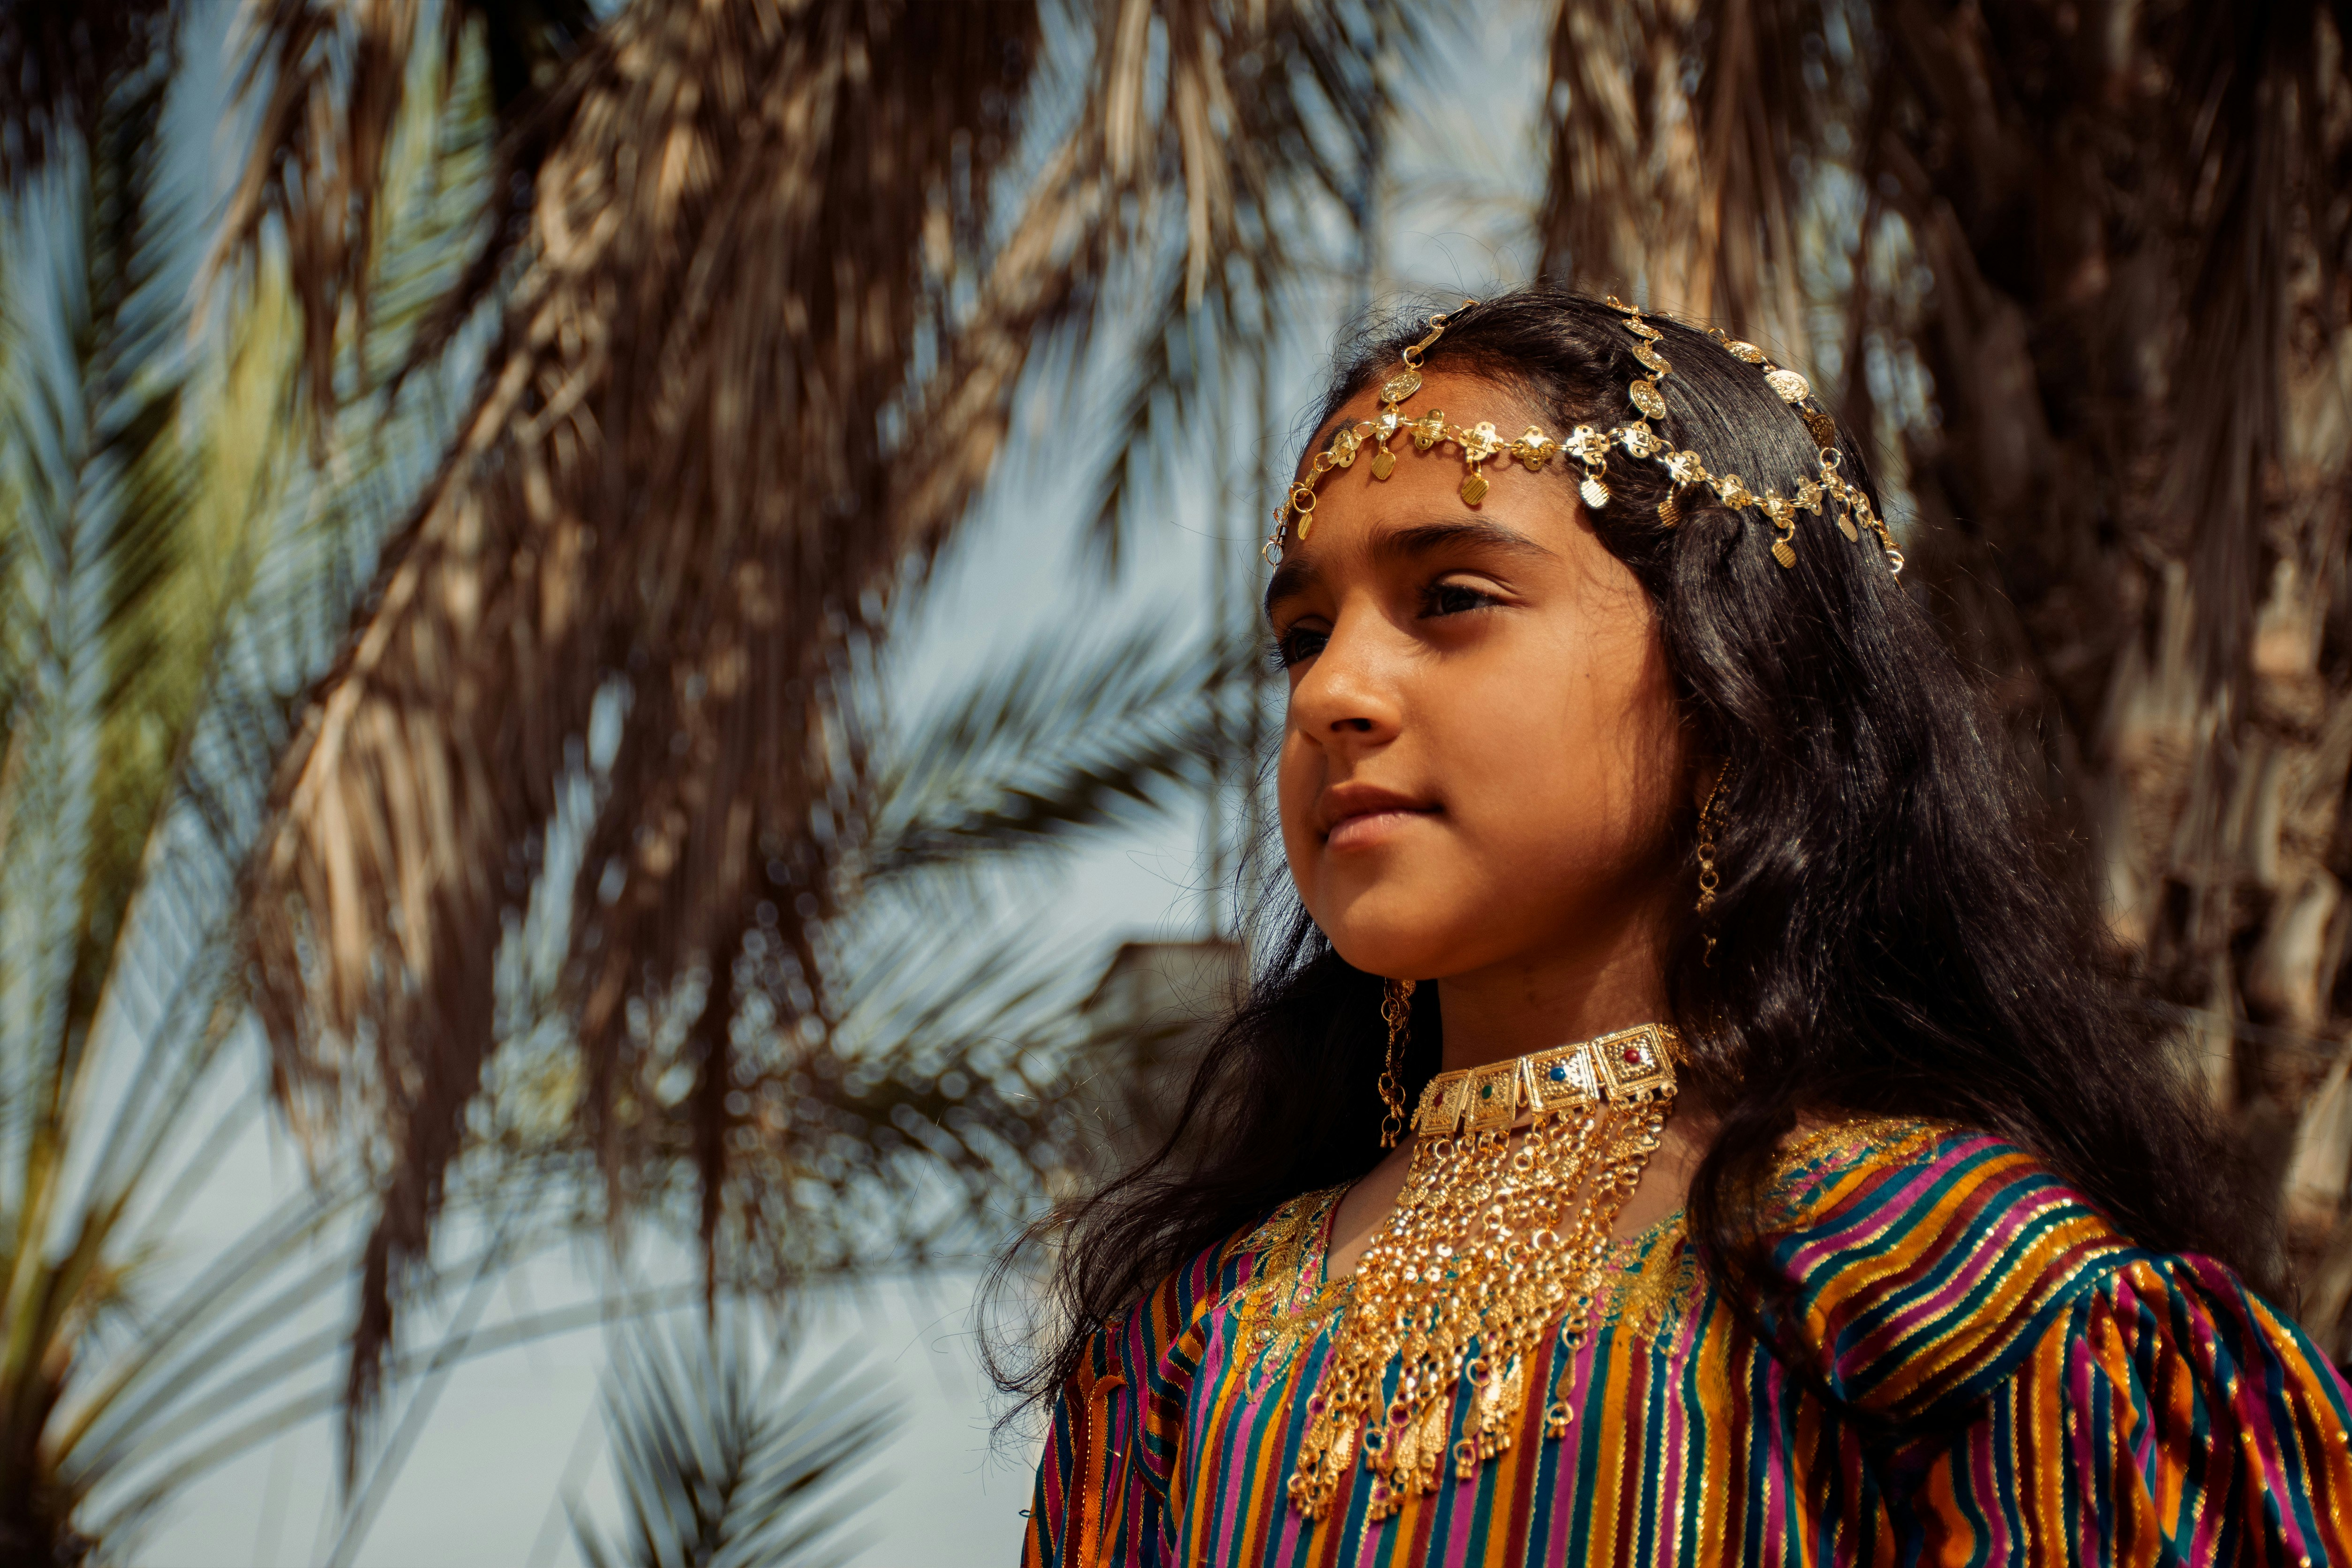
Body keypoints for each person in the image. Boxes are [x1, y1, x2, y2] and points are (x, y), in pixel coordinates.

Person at [994, 287, 2352, 1566]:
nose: (1332, 690)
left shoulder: (1947, 1295)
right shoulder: (1178, 1362)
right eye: (1303, 633)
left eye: (1451, 598)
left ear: (1730, 668)